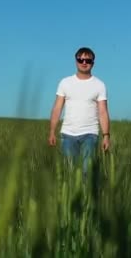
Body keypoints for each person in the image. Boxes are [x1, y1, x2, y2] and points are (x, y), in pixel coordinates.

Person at [48, 47, 111, 175]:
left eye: (87, 60)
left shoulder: (99, 85)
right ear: (76, 61)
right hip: (68, 134)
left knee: (86, 172)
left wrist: (106, 136)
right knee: (69, 172)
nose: (84, 62)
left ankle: (86, 194)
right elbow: (57, 108)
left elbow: (103, 112)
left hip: (90, 134)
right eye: (80, 59)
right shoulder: (65, 83)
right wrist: (52, 132)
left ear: (93, 63)